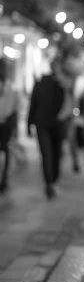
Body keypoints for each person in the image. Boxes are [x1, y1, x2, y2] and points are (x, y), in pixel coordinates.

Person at [27, 51, 82, 198]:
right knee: (47, 154)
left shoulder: (65, 82)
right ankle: (49, 184)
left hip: (59, 122)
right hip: (43, 123)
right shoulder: (42, 81)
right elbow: (33, 103)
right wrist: (29, 124)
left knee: (57, 153)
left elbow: (70, 86)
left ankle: (53, 181)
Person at [0, 58, 19, 193]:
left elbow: (12, 107)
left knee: (5, 150)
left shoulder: (10, 86)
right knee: (5, 150)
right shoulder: (10, 85)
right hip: (6, 122)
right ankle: (4, 178)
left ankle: (4, 178)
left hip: (6, 123)